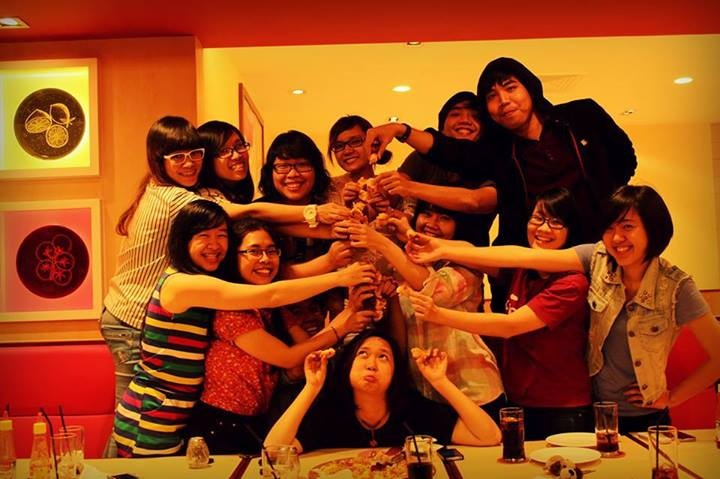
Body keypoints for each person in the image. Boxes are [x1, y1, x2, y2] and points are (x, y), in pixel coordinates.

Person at [407, 185, 720, 433]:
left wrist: (672, 397)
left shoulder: (676, 287)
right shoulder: (597, 258)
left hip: (644, 416)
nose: (616, 238)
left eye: (627, 227)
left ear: (654, 230)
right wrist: (443, 248)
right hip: (599, 411)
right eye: (610, 228)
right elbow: (522, 256)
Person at [112, 200, 376, 457]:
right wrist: (339, 278)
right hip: (152, 413)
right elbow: (272, 296)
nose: (215, 245)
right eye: (204, 236)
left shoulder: (210, 282)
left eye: (221, 235)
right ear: (183, 240)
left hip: (180, 412)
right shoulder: (181, 284)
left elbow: (275, 281)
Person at [406, 188, 592, 439]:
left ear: (572, 229)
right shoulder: (522, 268)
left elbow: (510, 326)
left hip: (561, 408)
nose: (543, 229)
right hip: (516, 399)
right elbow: (472, 251)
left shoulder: (572, 283)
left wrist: (438, 314)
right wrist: (433, 245)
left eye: (556, 222)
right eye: (537, 218)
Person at [185, 218, 376, 454]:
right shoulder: (232, 311)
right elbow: (288, 357)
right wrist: (342, 316)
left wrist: (349, 313)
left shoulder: (273, 307)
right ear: (234, 257)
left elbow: (306, 345)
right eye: (254, 251)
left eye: (272, 250)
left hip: (256, 421)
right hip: (220, 423)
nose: (265, 259)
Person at [347, 201, 503, 411]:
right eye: (427, 214)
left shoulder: (466, 266)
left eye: (444, 218)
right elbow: (401, 339)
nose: (432, 223)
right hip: (424, 391)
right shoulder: (402, 266)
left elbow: (433, 291)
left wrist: (382, 243)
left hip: (472, 390)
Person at [264, 330, 501, 451]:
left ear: (395, 372)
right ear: (348, 366)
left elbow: (489, 436)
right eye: (363, 354)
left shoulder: (413, 411)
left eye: (383, 357)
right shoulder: (330, 414)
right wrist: (312, 387)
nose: (371, 364)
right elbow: (273, 450)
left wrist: (440, 381)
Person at [375, 92, 497, 246]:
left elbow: (476, 201)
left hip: (468, 256)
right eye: (456, 114)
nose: (465, 120)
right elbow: (395, 193)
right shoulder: (421, 158)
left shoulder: (495, 162)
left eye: (476, 117)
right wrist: (379, 195)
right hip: (415, 250)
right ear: (442, 127)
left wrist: (409, 187)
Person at [326, 114, 394, 214]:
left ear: (374, 144)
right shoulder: (328, 187)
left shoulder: (391, 185)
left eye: (355, 142)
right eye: (339, 146)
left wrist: (386, 210)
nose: (347, 151)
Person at [195, 120, 254, 203]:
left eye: (240, 145)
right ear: (207, 160)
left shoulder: (236, 195)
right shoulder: (204, 198)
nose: (237, 156)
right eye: (224, 151)